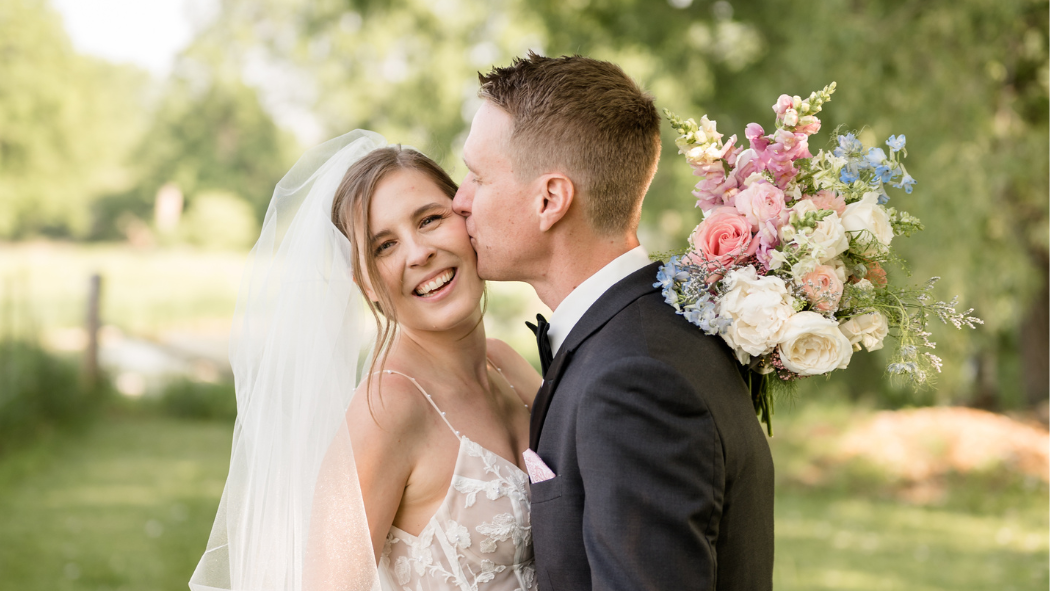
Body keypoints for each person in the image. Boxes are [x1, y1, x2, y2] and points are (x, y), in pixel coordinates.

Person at [452, 53, 775, 590]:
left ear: (550, 200)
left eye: (477, 177)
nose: (459, 201)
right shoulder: (651, 332)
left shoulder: (633, 378)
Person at [190, 132, 541, 591]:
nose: (418, 253)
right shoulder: (388, 408)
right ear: (367, 285)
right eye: (384, 246)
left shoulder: (507, 364)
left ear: (466, 218)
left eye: (430, 219)